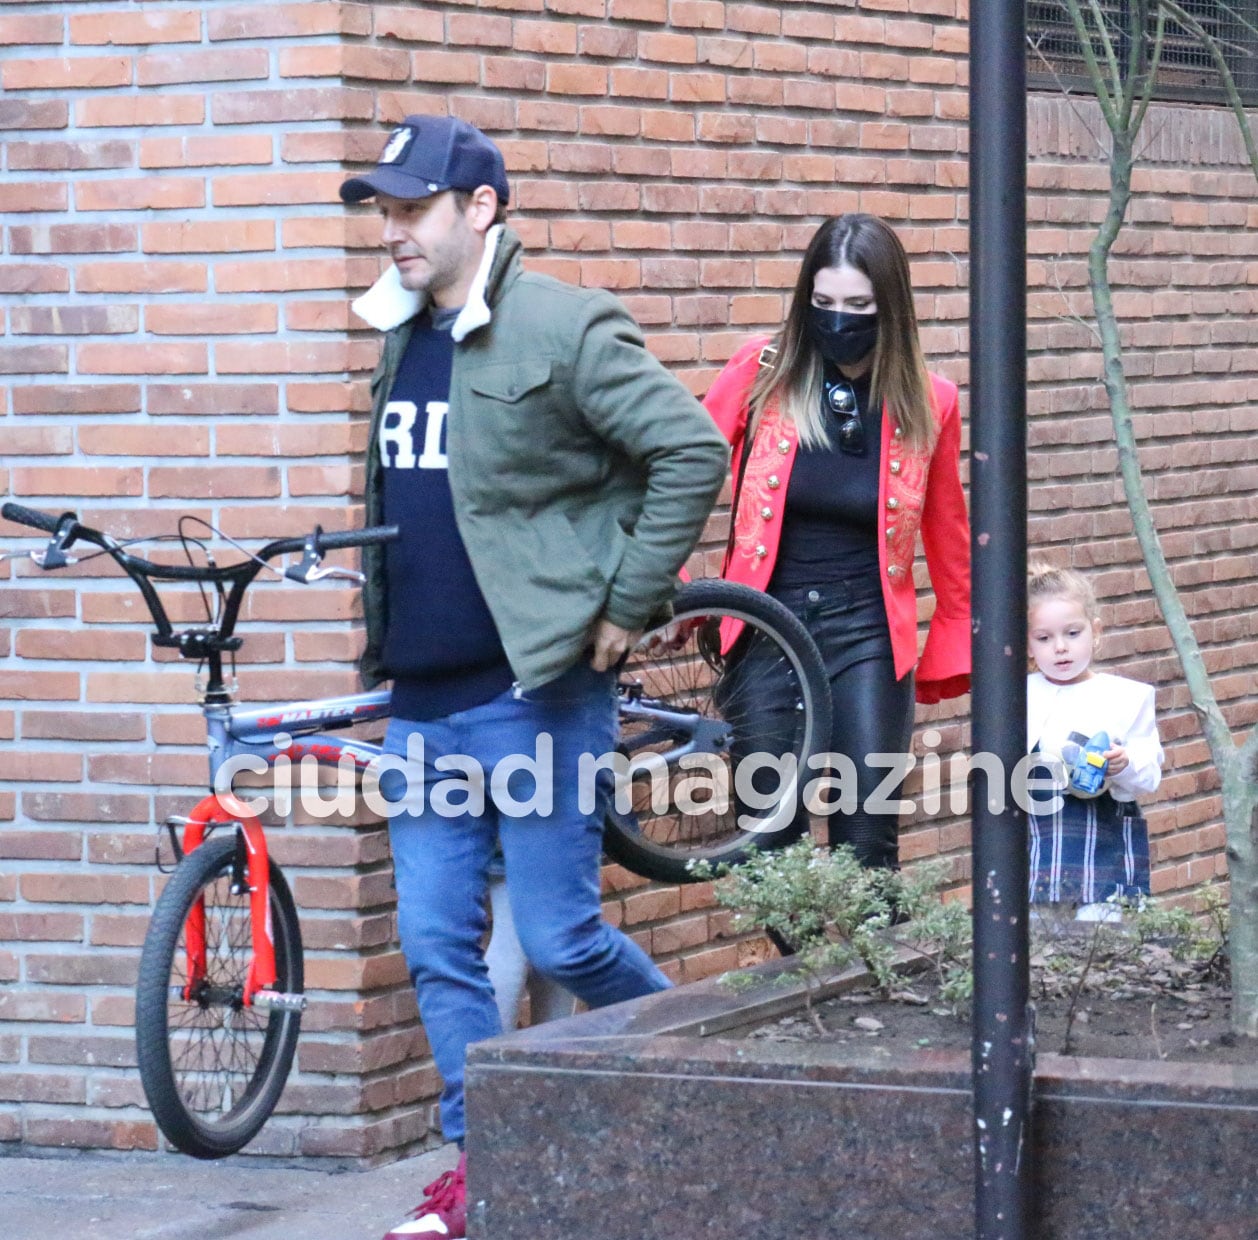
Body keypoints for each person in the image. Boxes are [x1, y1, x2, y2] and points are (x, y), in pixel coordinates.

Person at [340, 115, 728, 1240]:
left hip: (531, 692)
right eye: (384, 210)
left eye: (413, 208)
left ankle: (710, 1068)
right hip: (421, 704)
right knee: (433, 948)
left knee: (561, 940)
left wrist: (622, 605)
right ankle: (486, 1174)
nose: (393, 230)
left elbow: (688, 450)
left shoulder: (561, 325)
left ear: (482, 208)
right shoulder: (403, 332)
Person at [702, 213, 971, 871]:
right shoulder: (762, 373)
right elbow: (685, 466)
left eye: (858, 306)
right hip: (767, 626)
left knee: (867, 840)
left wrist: (957, 632)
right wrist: (673, 581)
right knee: (769, 842)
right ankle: (806, 976)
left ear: (891, 310)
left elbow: (947, 528)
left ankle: (868, 973)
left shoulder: (929, 401)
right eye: (823, 303)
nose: (838, 319)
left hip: (869, 637)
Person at [1025, 563, 1163, 920]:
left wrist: (1125, 763)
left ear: (1095, 631)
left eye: (1072, 633)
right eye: (1043, 638)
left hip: (1103, 843)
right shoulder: (1017, 697)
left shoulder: (1127, 697)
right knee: (1035, 953)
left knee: (1100, 951)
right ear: (1026, 643)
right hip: (1037, 847)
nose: (1060, 648)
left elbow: (1149, 776)